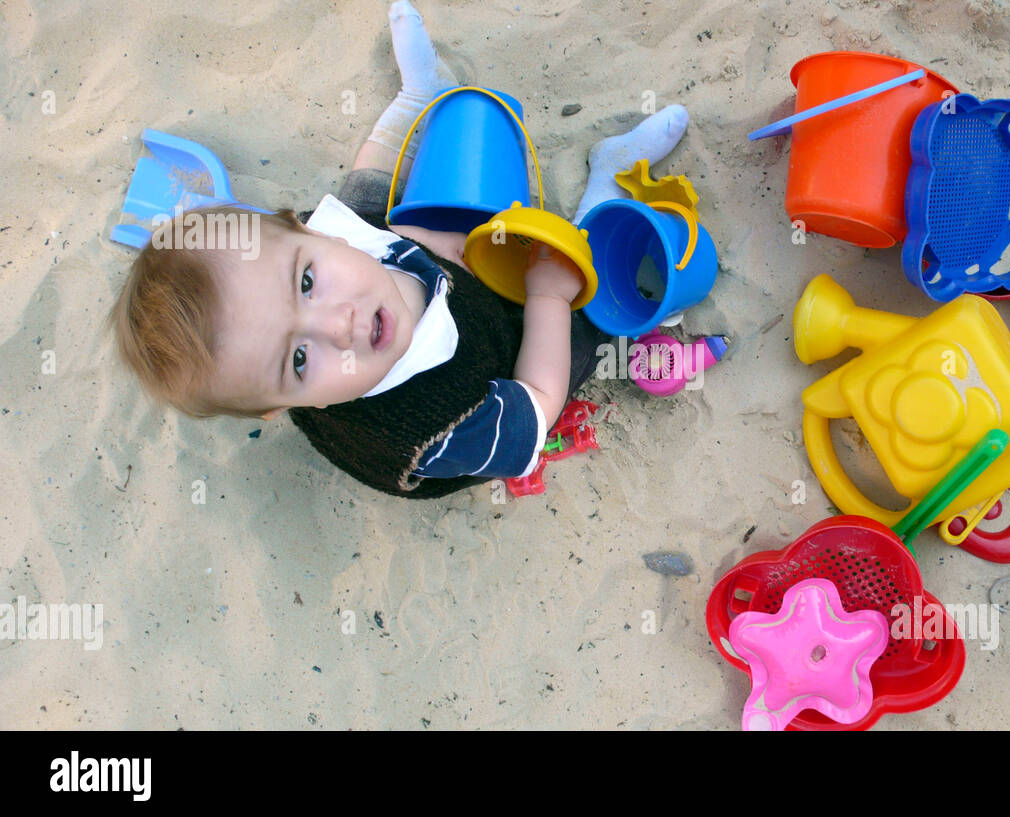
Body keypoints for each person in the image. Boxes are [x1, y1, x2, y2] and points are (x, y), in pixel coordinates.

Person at [111, 0, 690, 498]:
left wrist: (443, 245)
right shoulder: (433, 426)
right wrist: (544, 295)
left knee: (366, 191)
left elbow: (391, 243)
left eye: (306, 283)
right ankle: (605, 184)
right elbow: (536, 408)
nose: (339, 326)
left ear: (309, 231)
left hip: (430, 282)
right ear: (279, 407)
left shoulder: (332, 241)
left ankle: (420, 94)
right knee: (583, 318)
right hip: (489, 369)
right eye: (298, 360)